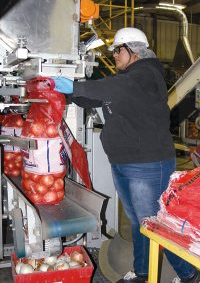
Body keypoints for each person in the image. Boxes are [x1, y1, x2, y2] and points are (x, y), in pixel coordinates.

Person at [53, 27, 200, 283]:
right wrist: (68, 91)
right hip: (125, 162)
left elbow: (113, 88)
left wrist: (75, 85)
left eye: (117, 51)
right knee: (139, 223)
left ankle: (188, 273)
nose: (114, 56)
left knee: (155, 223)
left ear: (132, 50)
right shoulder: (126, 80)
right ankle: (143, 272)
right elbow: (93, 99)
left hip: (147, 164)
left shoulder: (146, 74)